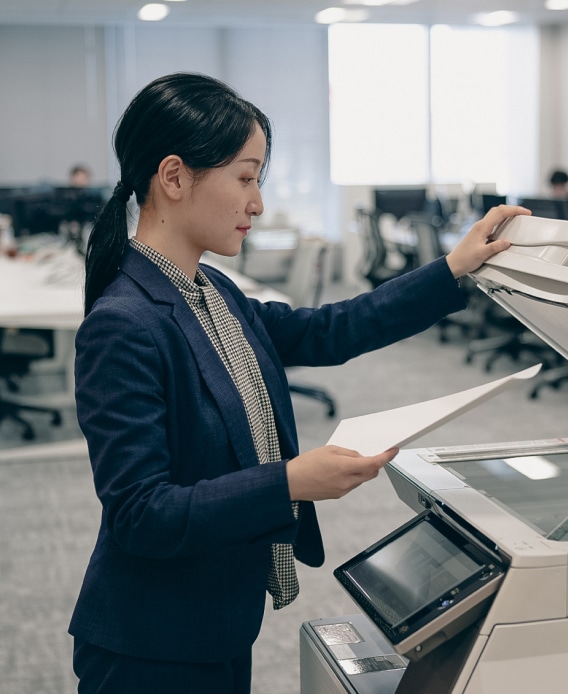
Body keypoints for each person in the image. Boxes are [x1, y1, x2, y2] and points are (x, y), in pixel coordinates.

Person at [69, 72, 529, 694]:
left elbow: (329, 330)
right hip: (152, 643)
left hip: (219, 620)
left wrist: (452, 270)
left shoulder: (213, 291)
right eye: (246, 177)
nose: (257, 202)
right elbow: (140, 514)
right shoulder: (124, 324)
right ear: (174, 177)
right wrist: (288, 481)